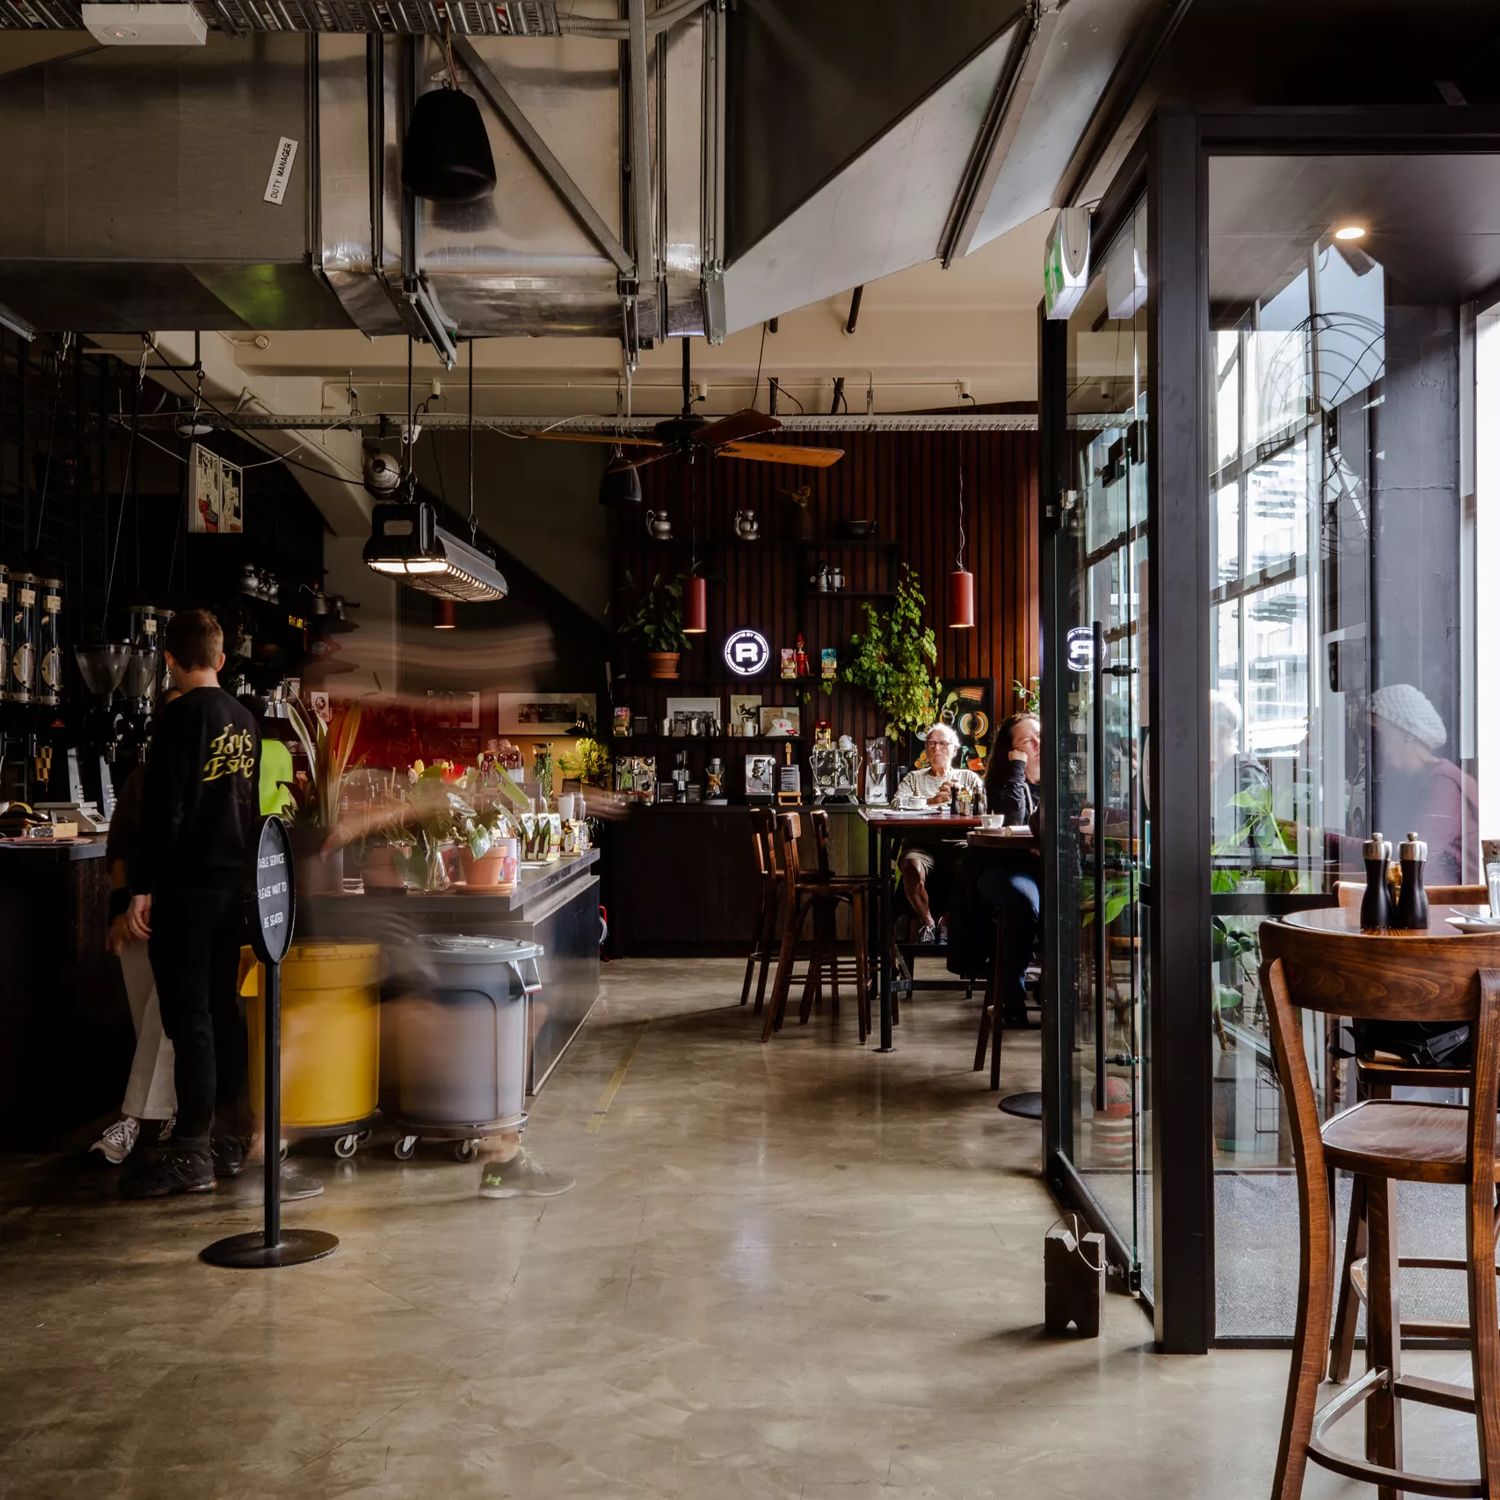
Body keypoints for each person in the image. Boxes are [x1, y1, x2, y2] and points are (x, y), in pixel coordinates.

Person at [121, 610, 260, 1199]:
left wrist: (141, 888)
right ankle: (228, 1140)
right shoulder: (246, 720)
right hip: (233, 888)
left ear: (170, 661)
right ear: (221, 659)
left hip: (186, 891)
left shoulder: (177, 718)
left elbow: (164, 812)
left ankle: (192, 1153)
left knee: (190, 1015)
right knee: (222, 1010)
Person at [90, 690, 182, 1165]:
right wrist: (121, 912)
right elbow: (120, 853)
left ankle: (134, 1118)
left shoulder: (209, 781)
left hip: (189, 918)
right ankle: (160, 1114)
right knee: (152, 1022)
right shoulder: (142, 780)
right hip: (141, 917)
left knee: (165, 1018)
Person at [1368, 682, 1478, 885]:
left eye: (1376, 735)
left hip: (1453, 909)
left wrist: (1319, 838)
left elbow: (1409, 857)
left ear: (1407, 734)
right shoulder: (1414, 782)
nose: (1369, 746)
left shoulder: (1444, 785)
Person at [893, 722, 986, 944]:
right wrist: (932, 801)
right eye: (931, 744)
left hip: (958, 842)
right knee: (911, 866)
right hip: (921, 844)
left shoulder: (968, 778)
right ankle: (928, 924)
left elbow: (984, 808)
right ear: (925, 750)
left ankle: (946, 923)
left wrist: (959, 797)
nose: (936, 749)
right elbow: (897, 803)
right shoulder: (914, 778)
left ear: (954, 749)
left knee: (973, 864)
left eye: (943, 744)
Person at [978, 713, 1042, 1028]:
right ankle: (1012, 1000)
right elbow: (1014, 821)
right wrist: (1018, 769)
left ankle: (1057, 991)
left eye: (1041, 737)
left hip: (1045, 869)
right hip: (1007, 870)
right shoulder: (1004, 782)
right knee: (1023, 901)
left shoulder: (1060, 779)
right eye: (1029, 741)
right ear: (1011, 751)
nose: (1039, 745)